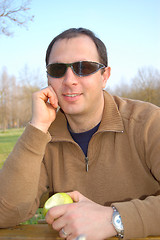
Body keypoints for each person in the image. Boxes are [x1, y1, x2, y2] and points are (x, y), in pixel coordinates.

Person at [0, 27, 160, 240]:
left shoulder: (148, 123)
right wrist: (37, 127)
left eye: (84, 67)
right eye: (57, 70)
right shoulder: (43, 137)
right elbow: (5, 214)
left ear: (105, 76)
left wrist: (114, 219)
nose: (69, 80)